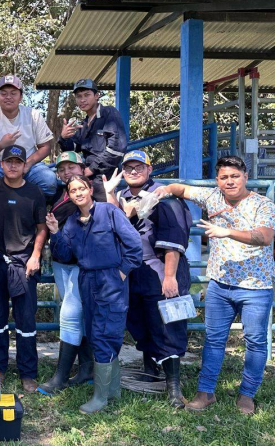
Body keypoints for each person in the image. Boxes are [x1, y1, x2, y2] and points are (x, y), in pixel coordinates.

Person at [153, 155, 275, 415]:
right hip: (220, 285)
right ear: (217, 180)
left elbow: (264, 237)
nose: (229, 181)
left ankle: (247, 395)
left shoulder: (262, 204)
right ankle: (205, 392)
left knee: (255, 341)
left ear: (245, 177)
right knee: (213, 339)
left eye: (234, 176)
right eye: (224, 177)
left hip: (256, 286)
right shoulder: (212, 197)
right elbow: (181, 188)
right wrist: (163, 191)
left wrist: (227, 231)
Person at [47, 175, 142, 414]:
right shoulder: (71, 222)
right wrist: (56, 233)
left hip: (109, 279)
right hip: (86, 279)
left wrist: (122, 272)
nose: (78, 193)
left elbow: (133, 244)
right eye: (73, 190)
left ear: (90, 189)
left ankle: (100, 397)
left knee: (105, 333)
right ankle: (113, 391)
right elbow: (66, 254)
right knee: (94, 331)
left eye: (82, 188)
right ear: (69, 195)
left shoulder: (109, 212)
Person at [107, 151, 192, 407]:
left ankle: (174, 387)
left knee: (168, 325)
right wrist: (109, 192)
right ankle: (151, 370)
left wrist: (169, 277)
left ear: (149, 168)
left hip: (160, 270)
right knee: (140, 323)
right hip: (133, 272)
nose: (133, 171)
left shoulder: (163, 197)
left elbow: (174, 239)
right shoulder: (121, 196)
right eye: (128, 168)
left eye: (138, 167)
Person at [0, 145, 48, 393]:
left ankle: (28, 372)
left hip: (24, 263)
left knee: (26, 319)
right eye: (9, 161)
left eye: (18, 161)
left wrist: (36, 256)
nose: (13, 166)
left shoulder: (35, 192)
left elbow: (42, 227)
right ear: (2, 165)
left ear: (24, 164)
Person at [38, 151, 92, 396]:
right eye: (62, 169)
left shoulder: (92, 190)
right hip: (63, 262)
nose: (67, 172)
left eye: (72, 167)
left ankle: (60, 377)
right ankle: (87, 369)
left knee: (70, 315)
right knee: (74, 316)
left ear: (83, 168)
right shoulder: (62, 193)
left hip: (82, 264)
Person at [0, 75, 56, 197]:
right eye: (4, 93)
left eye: (13, 93)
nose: (8, 97)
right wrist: (1, 145)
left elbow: (45, 147)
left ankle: (37, 211)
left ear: (20, 97)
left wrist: (28, 163)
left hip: (27, 162)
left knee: (48, 180)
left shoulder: (33, 115)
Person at [57, 78, 128, 201]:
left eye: (87, 95)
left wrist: (91, 169)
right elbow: (72, 150)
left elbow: (116, 149)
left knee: (103, 212)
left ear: (96, 96)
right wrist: (64, 138)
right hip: (88, 175)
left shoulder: (109, 113)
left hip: (106, 175)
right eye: (79, 96)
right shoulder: (84, 124)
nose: (82, 100)